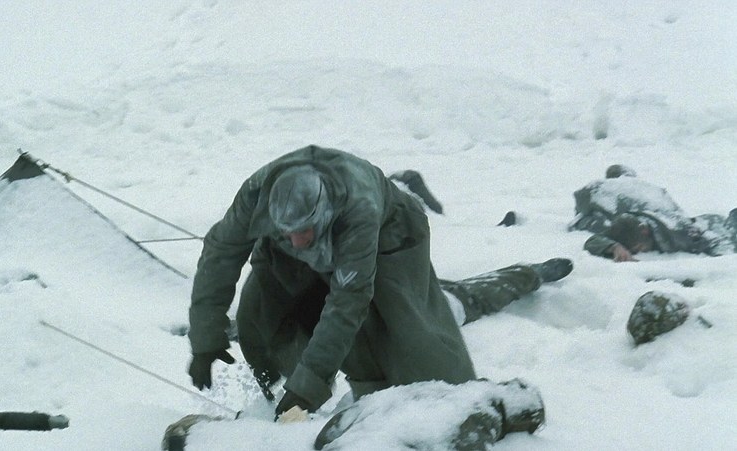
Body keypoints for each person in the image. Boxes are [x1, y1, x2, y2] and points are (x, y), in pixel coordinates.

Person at [186, 145, 572, 421]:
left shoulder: (360, 209)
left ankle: (526, 274)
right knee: (258, 314)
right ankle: (274, 397)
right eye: (288, 232)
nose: (297, 241)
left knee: (413, 341)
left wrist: (307, 387)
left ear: (324, 211)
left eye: (304, 230)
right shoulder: (257, 198)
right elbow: (220, 254)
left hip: (390, 245)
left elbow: (349, 300)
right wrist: (205, 339)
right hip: (330, 264)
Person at [568, 164, 737, 262]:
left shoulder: (675, 230)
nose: (639, 252)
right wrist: (614, 246)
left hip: (685, 221)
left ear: (645, 231)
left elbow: (715, 242)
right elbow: (594, 238)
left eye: (639, 247)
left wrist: (726, 255)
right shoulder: (626, 216)